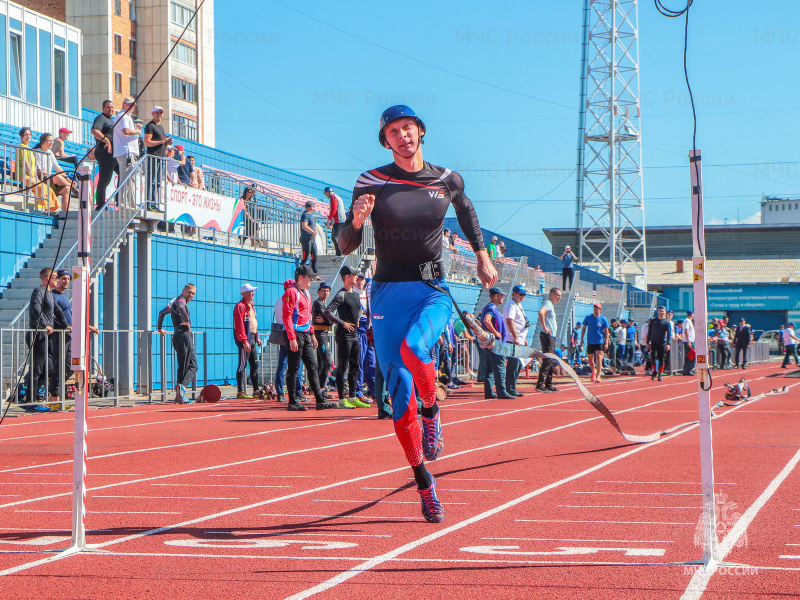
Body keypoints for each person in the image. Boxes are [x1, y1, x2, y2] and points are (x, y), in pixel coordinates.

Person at [337, 104, 497, 523]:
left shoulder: (447, 179)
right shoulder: (370, 181)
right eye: (393, 131)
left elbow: (467, 212)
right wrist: (354, 222)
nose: (402, 136)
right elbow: (343, 246)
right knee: (399, 404)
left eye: (407, 128)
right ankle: (425, 484)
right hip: (387, 293)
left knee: (415, 349)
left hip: (431, 289)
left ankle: (434, 410)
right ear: (385, 140)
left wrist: (482, 255)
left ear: (420, 132)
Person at [282, 265, 338, 411]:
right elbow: (287, 316)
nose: (311, 279)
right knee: (294, 368)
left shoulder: (306, 292)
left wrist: (312, 333)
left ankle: (320, 400)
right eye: (309, 277)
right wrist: (291, 337)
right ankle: (292, 401)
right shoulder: (291, 292)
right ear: (301, 277)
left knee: (313, 366)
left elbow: (308, 316)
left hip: (306, 333)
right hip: (295, 333)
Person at [323, 265, 364, 408]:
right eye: (354, 275)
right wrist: (343, 323)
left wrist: (357, 319)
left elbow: (359, 310)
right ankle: (341, 399)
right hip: (344, 335)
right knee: (343, 367)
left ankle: (352, 397)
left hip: (355, 335)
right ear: (347, 277)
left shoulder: (356, 294)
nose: (357, 277)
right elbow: (327, 312)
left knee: (355, 366)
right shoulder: (341, 294)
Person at [156, 283, 198, 404]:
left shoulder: (173, 303)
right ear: (183, 290)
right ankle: (182, 389)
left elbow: (161, 313)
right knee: (191, 366)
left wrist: (159, 328)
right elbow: (180, 306)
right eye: (189, 292)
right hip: (183, 334)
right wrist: (188, 321)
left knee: (185, 365)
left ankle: (179, 394)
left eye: (193, 293)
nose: (191, 295)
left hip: (178, 335)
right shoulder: (180, 301)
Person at [26, 269, 61, 408]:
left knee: (49, 368)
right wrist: (43, 325)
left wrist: (67, 325)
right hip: (38, 332)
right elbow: (35, 308)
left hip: (47, 334)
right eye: (55, 277)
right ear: (48, 277)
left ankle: (31, 395)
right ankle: (30, 400)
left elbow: (58, 311)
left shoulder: (50, 294)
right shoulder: (38, 291)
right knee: (37, 368)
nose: (57, 280)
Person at [272, 281, 303, 402]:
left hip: (281, 332)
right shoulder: (292, 298)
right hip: (292, 332)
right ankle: (297, 391)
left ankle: (280, 392)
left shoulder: (278, 300)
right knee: (297, 364)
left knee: (282, 363)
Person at [481, 287, 514, 399]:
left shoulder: (490, 308)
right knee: (500, 367)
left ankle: (489, 392)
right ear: (495, 296)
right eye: (501, 295)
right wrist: (496, 333)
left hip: (491, 343)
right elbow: (486, 320)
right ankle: (501, 391)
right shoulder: (491, 308)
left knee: (490, 368)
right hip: (496, 343)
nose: (503, 297)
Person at [233, 283, 262, 399]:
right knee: (242, 364)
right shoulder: (240, 306)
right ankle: (240, 391)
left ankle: (256, 390)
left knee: (254, 364)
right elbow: (239, 325)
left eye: (253, 291)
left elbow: (253, 322)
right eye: (251, 291)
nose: (253, 293)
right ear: (244, 293)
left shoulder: (251, 306)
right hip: (245, 338)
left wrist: (257, 337)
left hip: (253, 337)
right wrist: (244, 340)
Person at [113, 97, 141, 207]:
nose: (132, 107)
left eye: (133, 105)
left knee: (130, 178)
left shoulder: (126, 116)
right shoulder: (123, 116)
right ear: (123, 104)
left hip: (127, 151)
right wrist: (137, 131)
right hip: (126, 151)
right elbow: (126, 131)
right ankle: (123, 203)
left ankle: (131, 203)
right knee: (126, 178)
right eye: (129, 104)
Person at [33, 133, 73, 209]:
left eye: (52, 141)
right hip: (41, 178)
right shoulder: (37, 152)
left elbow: (57, 167)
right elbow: (39, 171)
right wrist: (53, 175)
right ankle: (74, 188)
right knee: (57, 177)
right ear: (43, 142)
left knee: (67, 189)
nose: (51, 143)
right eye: (49, 141)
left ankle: (65, 213)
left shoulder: (50, 152)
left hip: (49, 178)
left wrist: (67, 178)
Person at [503, 284, 530, 396]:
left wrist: (524, 339)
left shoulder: (518, 305)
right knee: (513, 365)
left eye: (524, 294)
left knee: (517, 365)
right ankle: (510, 388)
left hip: (519, 339)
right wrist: (515, 337)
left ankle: (512, 386)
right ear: (514, 293)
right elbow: (510, 321)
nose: (523, 296)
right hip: (513, 339)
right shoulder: (511, 305)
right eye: (521, 294)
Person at [91, 100, 117, 210]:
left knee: (124, 173)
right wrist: (106, 141)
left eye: (112, 107)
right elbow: (95, 130)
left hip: (114, 154)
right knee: (105, 179)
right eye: (108, 107)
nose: (110, 109)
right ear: (103, 108)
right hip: (104, 152)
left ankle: (119, 199)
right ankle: (100, 204)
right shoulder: (101, 118)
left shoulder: (112, 120)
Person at [144, 106, 172, 209]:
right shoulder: (150, 126)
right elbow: (147, 142)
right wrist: (161, 142)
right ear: (152, 113)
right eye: (157, 113)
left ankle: (153, 202)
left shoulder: (161, 127)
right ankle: (149, 203)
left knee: (158, 182)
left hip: (160, 158)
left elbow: (161, 144)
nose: (159, 115)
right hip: (153, 157)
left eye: (160, 113)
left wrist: (166, 143)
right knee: (151, 180)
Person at [536, 287, 563, 393]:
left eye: (560, 296)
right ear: (552, 294)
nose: (559, 298)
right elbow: (541, 312)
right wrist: (545, 327)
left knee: (551, 360)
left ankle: (548, 383)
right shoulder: (547, 303)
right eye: (558, 295)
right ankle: (540, 384)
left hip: (551, 336)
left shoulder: (551, 305)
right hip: (547, 336)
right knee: (548, 359)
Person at [354, 272, 376, 402]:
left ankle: (375, 392)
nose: (360, 282)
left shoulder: (367, 294)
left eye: (362, 280)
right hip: (358, 330)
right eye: (358, 280)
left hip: (369, 330)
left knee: (371, 362)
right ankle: (357, 391)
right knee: (359, 362)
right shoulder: (352, 293)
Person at [312, 282, 334, 392]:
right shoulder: (318, 303)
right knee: (327, 362)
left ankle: (319, 387)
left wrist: (327, 320)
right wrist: (329, 320)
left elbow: (328, 318)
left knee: (321, 363)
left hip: (324, 334)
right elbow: (330, 319)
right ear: (318, 291)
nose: (326, 292)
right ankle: (321, 388)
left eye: (328, 290)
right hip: (320, 335)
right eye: (323, 290)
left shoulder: (323, 304)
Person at [581, 303, 609, 383]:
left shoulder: (603, 319)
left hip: (599, 341)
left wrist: (606, 342)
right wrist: (582, 339)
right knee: (590, 359)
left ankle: (598, 375)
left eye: (597, 309)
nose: (595, 311)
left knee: (599, 358)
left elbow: (607, 331)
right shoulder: (588, 317)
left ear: (600, 310)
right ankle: (594, 370)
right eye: (594, 309)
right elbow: (584, 328)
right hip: (590, 341)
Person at [647, 306, 672, 381]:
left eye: (663, 311)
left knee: (662, 359)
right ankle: (654, 371)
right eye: (660, 311)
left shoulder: (667, 322)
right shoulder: (653, 321)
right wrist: (648, 342)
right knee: (653, 357)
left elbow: (669, 333)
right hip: (654, 342)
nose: (661, 312)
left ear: (665, 313)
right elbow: (649, 332)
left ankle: (660, 374)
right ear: (658, 311)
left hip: (662, 343)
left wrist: (668, 344)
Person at [324, 186, 347, 257]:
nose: (326, 195)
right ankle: (339, 253)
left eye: (326, 193)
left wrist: (329, 219)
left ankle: (339, 254)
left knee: (335, 237)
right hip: (340, 220)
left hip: (338, 221)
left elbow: (333, 209)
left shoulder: (333, 197)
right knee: (335, 237)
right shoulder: (337, 197)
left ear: (329, 192)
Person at [299, 201, 319, 276]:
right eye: (313, 206)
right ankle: (300, 271)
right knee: (306, 255)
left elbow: (312, 226)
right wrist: (312, 232)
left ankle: (314, 272)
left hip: (311, 238)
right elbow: (304, 226)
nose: (314, 208)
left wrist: (315, 231)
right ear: (311, 207)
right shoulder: (305, 215)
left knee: (314, 255)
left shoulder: (310, 215)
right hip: (306, 238)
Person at [682, 310, 696, 376]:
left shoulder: (688, 321)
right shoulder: (687, 321)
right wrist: (688, 341)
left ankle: (686, 370)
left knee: (688, 356)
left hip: (689, 340)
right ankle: (689, 369)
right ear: (692, 314)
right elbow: (686, 331)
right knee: (692, 356)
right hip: (689, 341)